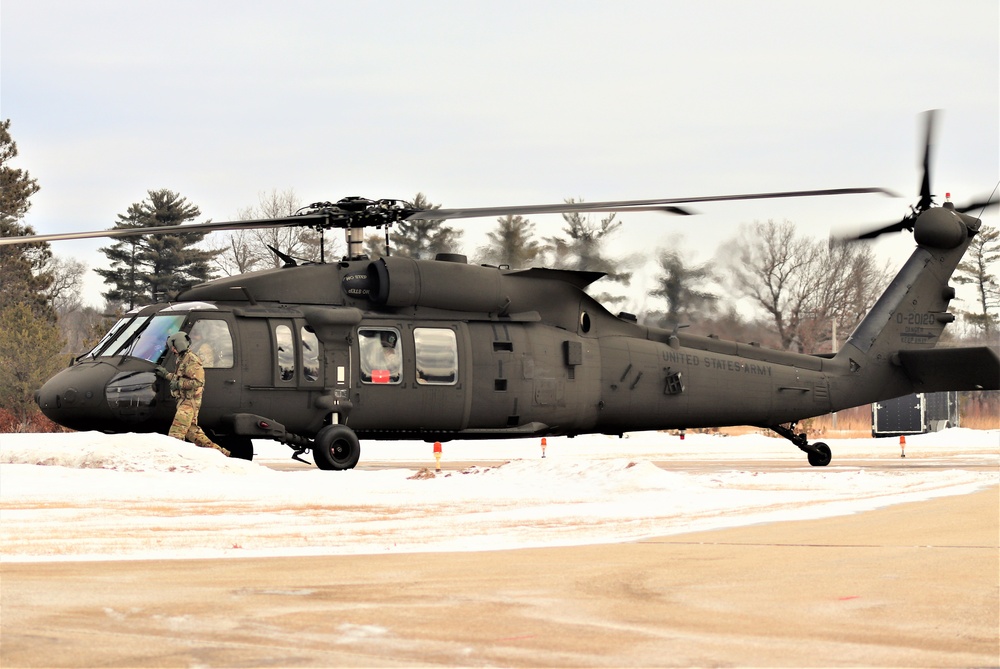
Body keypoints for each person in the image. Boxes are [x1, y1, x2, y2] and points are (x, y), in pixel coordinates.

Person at [155, 331, 230, 457]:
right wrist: (166, 375)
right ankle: (221, 454)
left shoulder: (192, 360)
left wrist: (179, 384)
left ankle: (174, 460)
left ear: (179, 345)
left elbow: (197, 382)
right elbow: (180, 377)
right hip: (184, 401)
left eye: (173, 347)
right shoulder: (182, 359)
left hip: (189, 403)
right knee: (193, 433)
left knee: (175, 434)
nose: (172, 350)